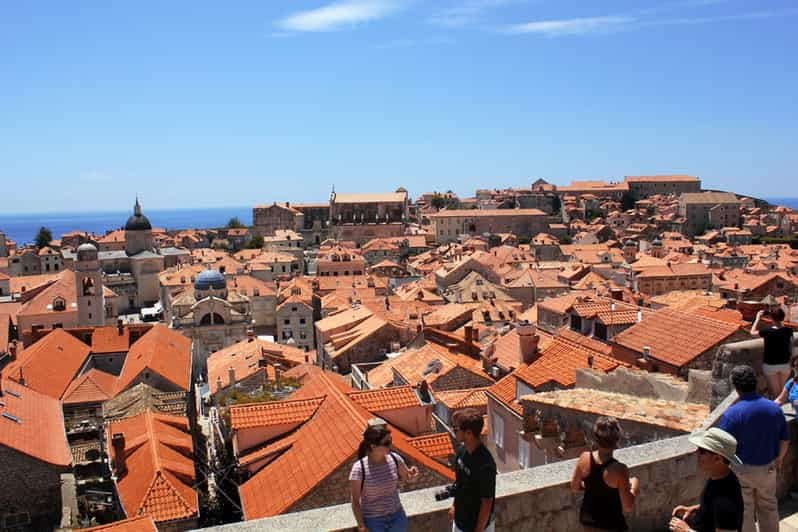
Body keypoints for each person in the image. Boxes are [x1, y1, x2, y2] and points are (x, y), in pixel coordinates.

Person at [719, 365, 789, 532]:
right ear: (755, 383)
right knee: (769, 507)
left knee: (744, 510)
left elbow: (722, 445)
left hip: (741, 470)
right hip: (767, 468)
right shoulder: (774, 409)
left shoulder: (732, 414)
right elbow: (785, 440)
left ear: (736, 387)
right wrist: (778, 460)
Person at [570, 417, 639, 531]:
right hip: (611, 525)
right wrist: (634, 486)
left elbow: (574, 487)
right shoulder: (619, 470)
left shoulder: (584, 458)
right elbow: (628, 506)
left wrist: (593, 486)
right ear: (616, 440)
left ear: (596, 438)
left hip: (588, 524)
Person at [669, 427, 744, 532]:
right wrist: (695, 509)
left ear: (717, 458)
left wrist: (686, 530)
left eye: (702, 451)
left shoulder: (726, 499)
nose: (697, 453)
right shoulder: (719, 478)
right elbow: (713, 506)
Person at [350, 419, 419, 532]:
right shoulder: (359, 469)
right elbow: (355, 501)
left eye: (390, 441)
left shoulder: (394, 459)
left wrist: (413, 475)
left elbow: (409, 479)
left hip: (397, 517)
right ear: (373, 446)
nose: (390, 445)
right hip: (374, 522)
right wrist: (361, 526)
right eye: (386, 443)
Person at [448, 408, 496, 532]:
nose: (453, 431)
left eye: (456, 429)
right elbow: (459, 483)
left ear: (469, 433)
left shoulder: (485, 464)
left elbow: (487, 501)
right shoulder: (461, 452)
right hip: (459, 523)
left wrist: (478, 529)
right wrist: (454, 506)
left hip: (476, 527)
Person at [752, 307, 795, 398]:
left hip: (770, 365)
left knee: (776, 393)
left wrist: (757, 319)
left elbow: (752, 333)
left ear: (771, 318)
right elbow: (791, 347)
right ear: (783, 317)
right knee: (783, 390)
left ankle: (779, 410)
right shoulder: (789, 331)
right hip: (785, 364)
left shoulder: (767, 332)